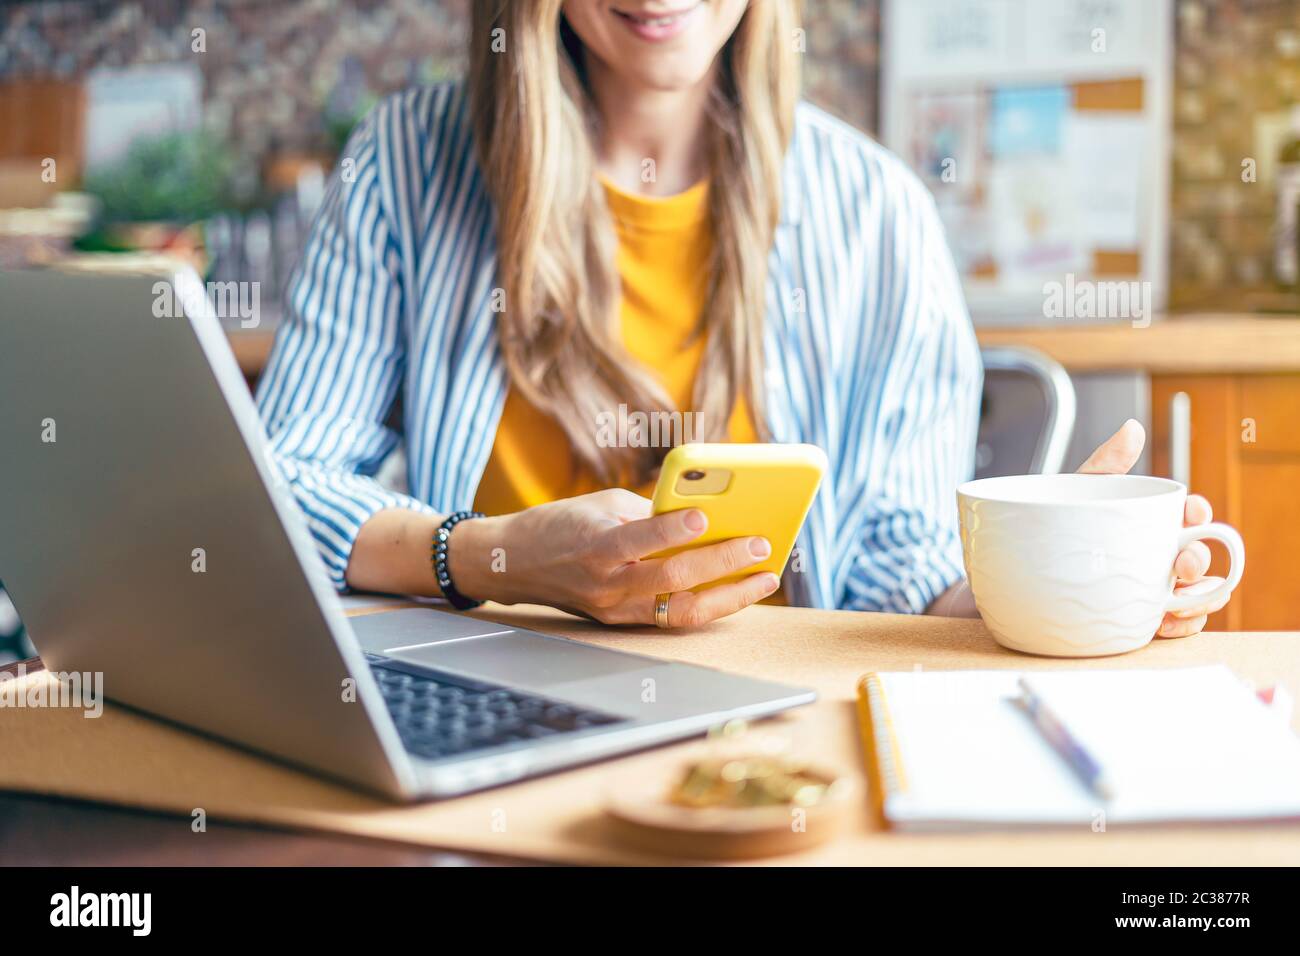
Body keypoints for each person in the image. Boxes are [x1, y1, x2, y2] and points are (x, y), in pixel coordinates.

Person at [256, 1, 1228, 635]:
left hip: (772, 732)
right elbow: (277, 495)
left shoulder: (878, 214)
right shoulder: (404, 166)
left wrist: (1057, 580)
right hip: (476, 714)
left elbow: (899, 566)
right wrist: (491, 554)